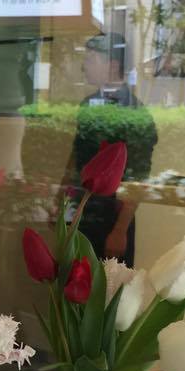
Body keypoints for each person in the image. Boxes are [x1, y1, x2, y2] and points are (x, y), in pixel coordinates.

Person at [68, 35, 157, 264]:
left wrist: (120, 230)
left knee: (109, 283)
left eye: (90, 59)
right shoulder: (88, 105)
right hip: (81, 212)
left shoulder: (134, 113)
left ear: (113, 65)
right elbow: (76, 159)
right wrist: (62, 204)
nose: (84, 66)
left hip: (112, 218)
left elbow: (137, 177)